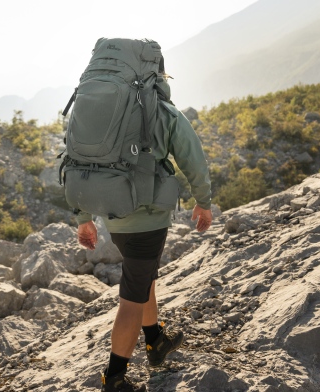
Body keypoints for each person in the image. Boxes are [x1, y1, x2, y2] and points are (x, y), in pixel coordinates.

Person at [75, 65, 213, 392]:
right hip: (148, 220)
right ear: (158, 76)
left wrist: (83, 217)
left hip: (115, 217)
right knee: (132, 295)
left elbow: (78, 161)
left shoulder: (99, 114)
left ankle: (155, 341)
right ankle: (115, 378)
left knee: (143, 274)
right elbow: (192, 158)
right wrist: (203, 201)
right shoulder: (164, 113)